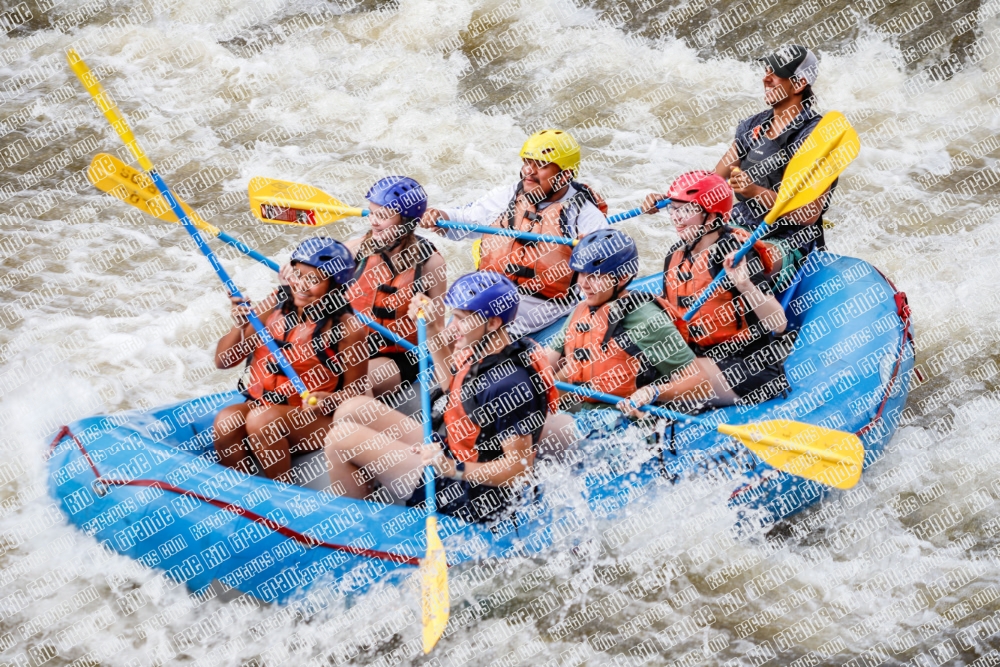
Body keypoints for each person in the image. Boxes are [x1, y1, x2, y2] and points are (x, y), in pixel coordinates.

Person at [323, 272, 559, 523]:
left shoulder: (508, 385)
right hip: (455, 452)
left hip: (472, 493)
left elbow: (518, 471)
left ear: (492, 323)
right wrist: (433, 328)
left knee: (340, 440)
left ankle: (354, 532)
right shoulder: (488, 348)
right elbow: (455, 390)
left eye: (459, 319)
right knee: (351, 409)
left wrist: (451, 468)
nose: (452, 327)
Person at [420, 129, 609, 335]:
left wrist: (591, 255)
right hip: (493, 291)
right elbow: (467, 218)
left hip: (541, 306)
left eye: (541, 166)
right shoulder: (509, 195)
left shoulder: (585, 215)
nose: (529, 171)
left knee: (471, 333)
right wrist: (441, 217)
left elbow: (609, 269)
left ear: (565, 175)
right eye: (527, 162)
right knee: (457, 326)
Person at [629, 171, 789, 413]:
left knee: (659, 387)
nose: (676, 218)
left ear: (713, 215)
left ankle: (659, 401)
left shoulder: (737, 253)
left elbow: (778, 324)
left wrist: (745, 285)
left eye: (686, 210)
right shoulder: (676, 255)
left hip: (748, 366)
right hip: (699, 355)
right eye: (673, 209)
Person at [212, 238, 369, 481]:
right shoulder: (276, 302)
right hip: (263, 406)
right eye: (297, 274)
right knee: (226, 421)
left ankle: (280, 497)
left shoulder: (348, 328)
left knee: (261, 419)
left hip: (314, 420)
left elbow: (358, 395)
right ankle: (242, 498)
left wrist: (331, 400)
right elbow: (224, 361)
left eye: (314, 279)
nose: (301, 285)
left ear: (334, 286)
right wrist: (240, 327)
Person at [544, 230, 700, 425]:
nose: (583, 283)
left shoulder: (647, 320)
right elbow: (544, 366)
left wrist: (653, 392)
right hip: (585, 410)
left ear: (623, 277)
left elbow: (700, 381)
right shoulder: (582, 310)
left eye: (595, 275)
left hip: (625, 421)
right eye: (581, 273)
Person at [713, 44, 833, 278]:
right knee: (694, 247)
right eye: (766, 70)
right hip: (743, 224)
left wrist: (754, 191)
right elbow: (713, 180)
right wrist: (671, 197)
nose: (765, 79)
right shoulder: (753, 126)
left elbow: (808, 214)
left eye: (776, 74)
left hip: (789, 240)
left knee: (745, 263)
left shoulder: (819, 137)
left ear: (798, 84)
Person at [342, 176, 447, 397]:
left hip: (400, 356)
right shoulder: (353, 251)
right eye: (371, 212)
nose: (373, 221)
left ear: (406, 222)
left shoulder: (430, 263)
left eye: (382, 215)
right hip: (354, 347)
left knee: (357, 381)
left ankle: (361, 426)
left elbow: (437, 329)